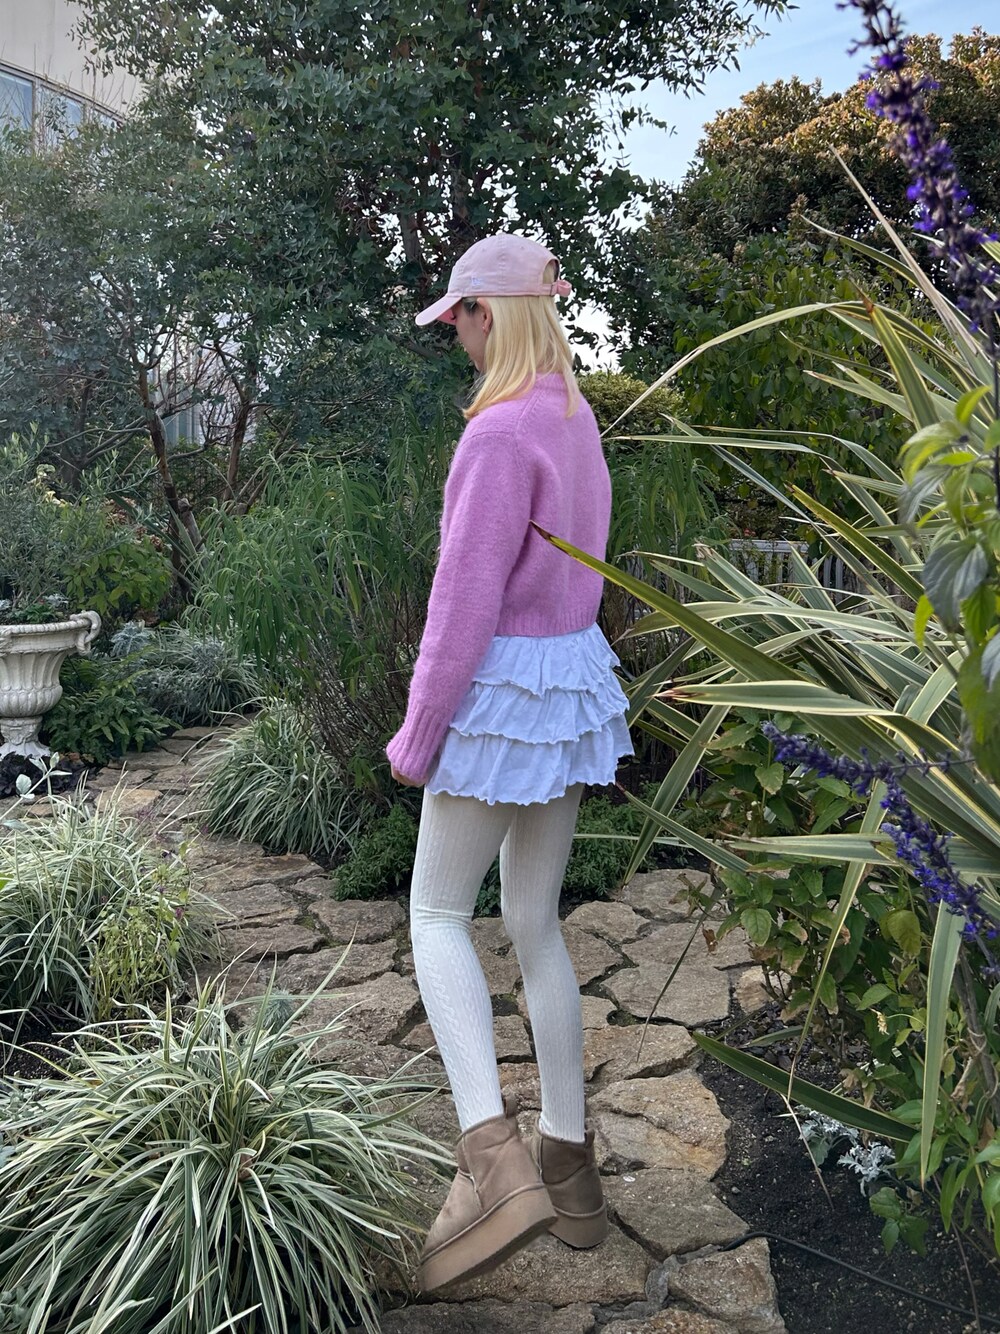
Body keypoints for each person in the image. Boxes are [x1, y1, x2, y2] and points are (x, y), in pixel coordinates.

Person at [386, 232, 632, 1294]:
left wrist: (417, 734)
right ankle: (568, 1168)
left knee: (437, 913)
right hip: (567, 687)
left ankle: (491, 1159)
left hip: (500, 696)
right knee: (535, 923)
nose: (456, 338)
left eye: (458, 320)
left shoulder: (497, 432)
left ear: (487, 314)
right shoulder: (573, 417)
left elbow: (462, 603)